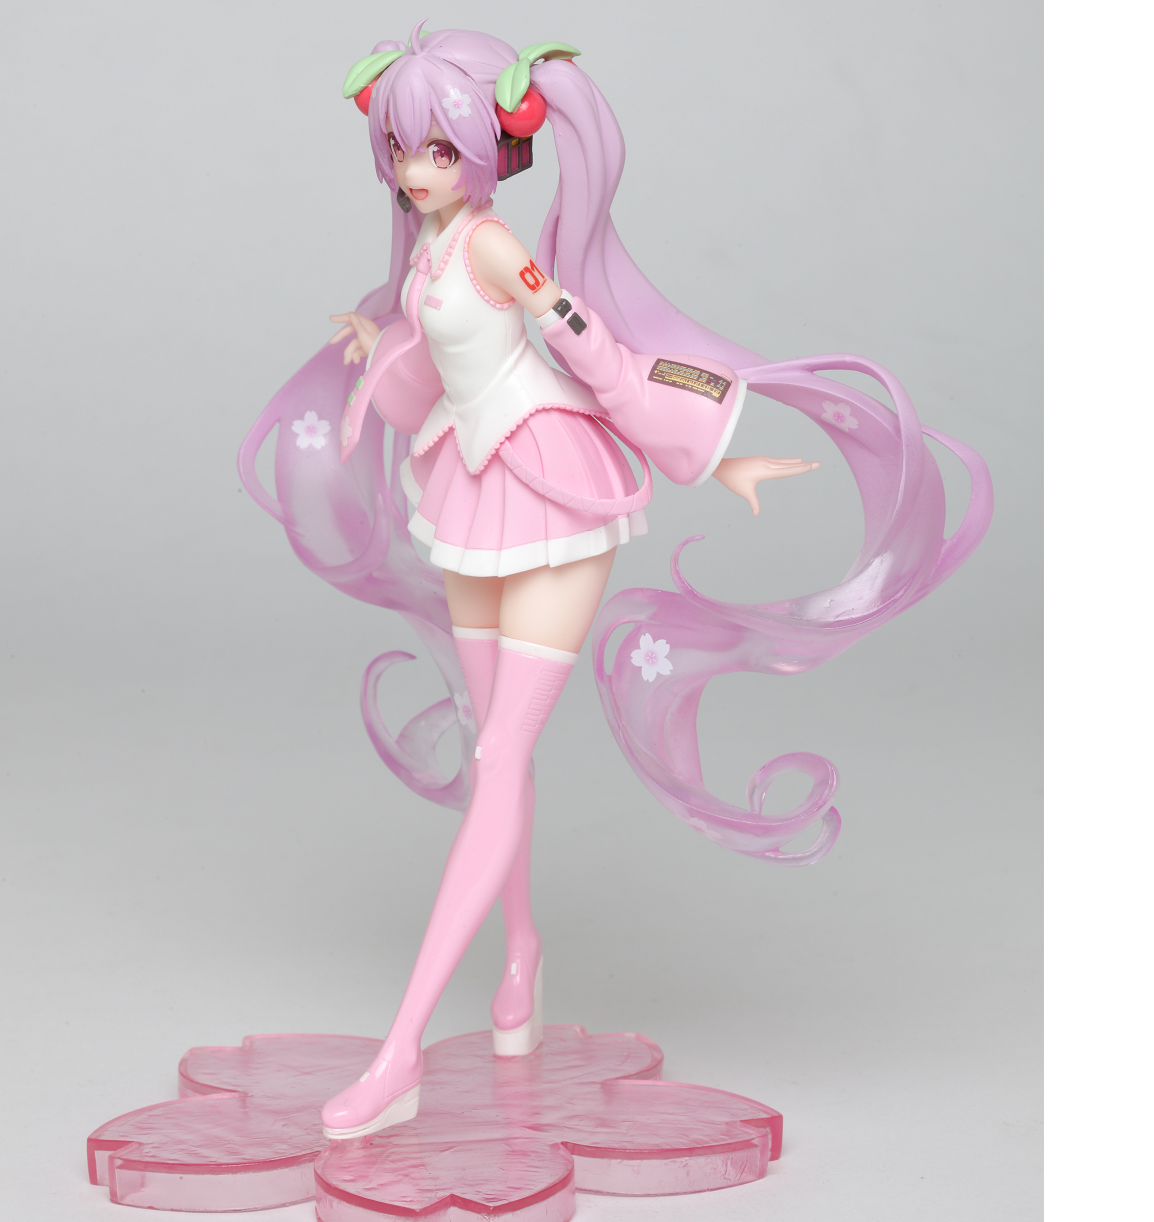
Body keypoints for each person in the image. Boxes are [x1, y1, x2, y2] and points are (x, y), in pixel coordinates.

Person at [238, 24, 991, 1141]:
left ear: (485, 150)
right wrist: (376, 340)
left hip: (552, 492)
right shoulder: (430, 247)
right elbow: (432, 356)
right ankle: (522, 957)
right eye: (400, 147)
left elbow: (588, 346)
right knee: (493, 746)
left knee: (499, 757)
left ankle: (400, 1049)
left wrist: (708, 449)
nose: (415, 169)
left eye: (438, 149)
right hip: (468, 488)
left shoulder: (493, 246)